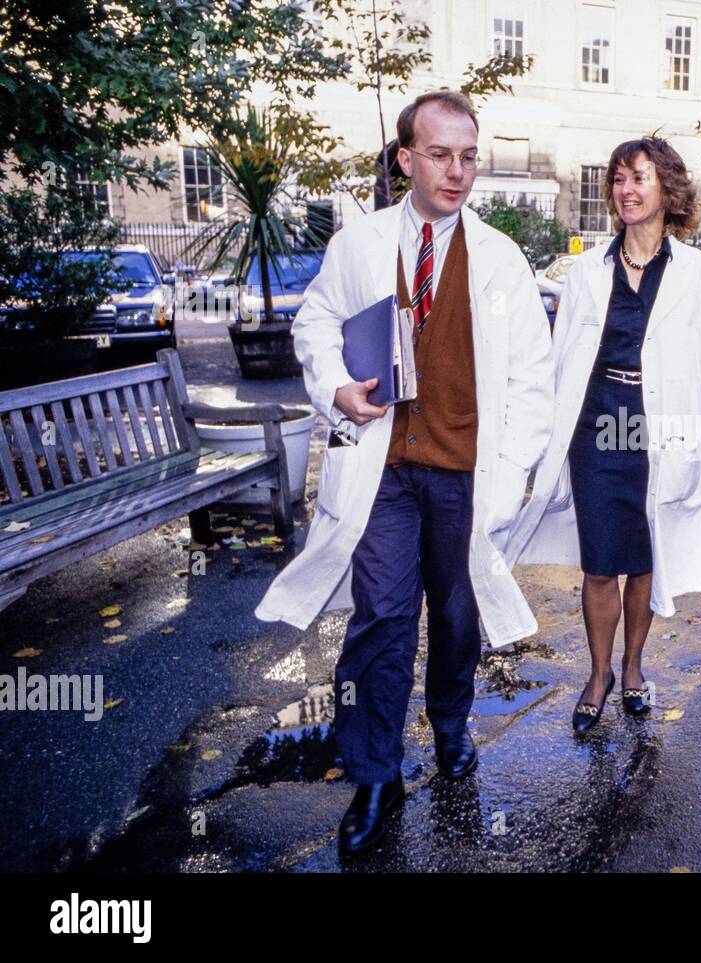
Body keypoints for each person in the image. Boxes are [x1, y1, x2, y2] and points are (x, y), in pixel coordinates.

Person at [254, 90, 553, 854]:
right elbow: (315, 320)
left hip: (463, 471)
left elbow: (531, 376)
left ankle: (452, 724)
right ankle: (375, 771)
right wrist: (335, 390)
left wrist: (511, 469)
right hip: (382, 468)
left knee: (455, 616)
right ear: (406, 159)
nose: (458, 172)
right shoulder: (359, 244)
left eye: (469, 156)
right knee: (382, 618)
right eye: (441, 154)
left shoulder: (501, 260)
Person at [504, 136, 701, 735]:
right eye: (618, 179)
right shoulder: (588, 270)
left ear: (667, 188)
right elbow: (559, 358)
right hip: (597, 423)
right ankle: (598, 675)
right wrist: (535, 434)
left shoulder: (699, 274)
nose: (627, 190)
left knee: (643, 560)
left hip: (663, 426)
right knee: (599, 563)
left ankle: (634, 668)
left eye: (639, 178)